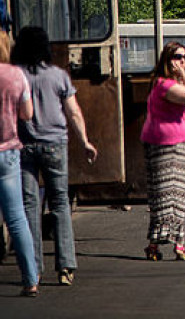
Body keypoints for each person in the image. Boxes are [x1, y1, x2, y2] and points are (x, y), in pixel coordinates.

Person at [12, 27, 98, 286]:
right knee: (60, 203)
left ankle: (34, 269)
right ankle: (65, 267)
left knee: (29, 206)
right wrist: (85, 141)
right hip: (55, 145)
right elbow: (73, 112)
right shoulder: (58, 75)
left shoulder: (16, 77)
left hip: (24, 146)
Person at [140, 41, 185, 262]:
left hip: (178, 144)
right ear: (167, 60)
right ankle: (154, 244)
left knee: (179, 195)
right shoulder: (164, 85)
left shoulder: (172, 84)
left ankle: (178, 242)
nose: (183, 61)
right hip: (162, 144)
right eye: (177, 57)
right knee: (163, 194)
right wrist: (184, 75)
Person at [0, 31, 39, 297]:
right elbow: (28, 113)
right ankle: (31, 279)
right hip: (9, 152)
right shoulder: (16, 75)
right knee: (16, 217)